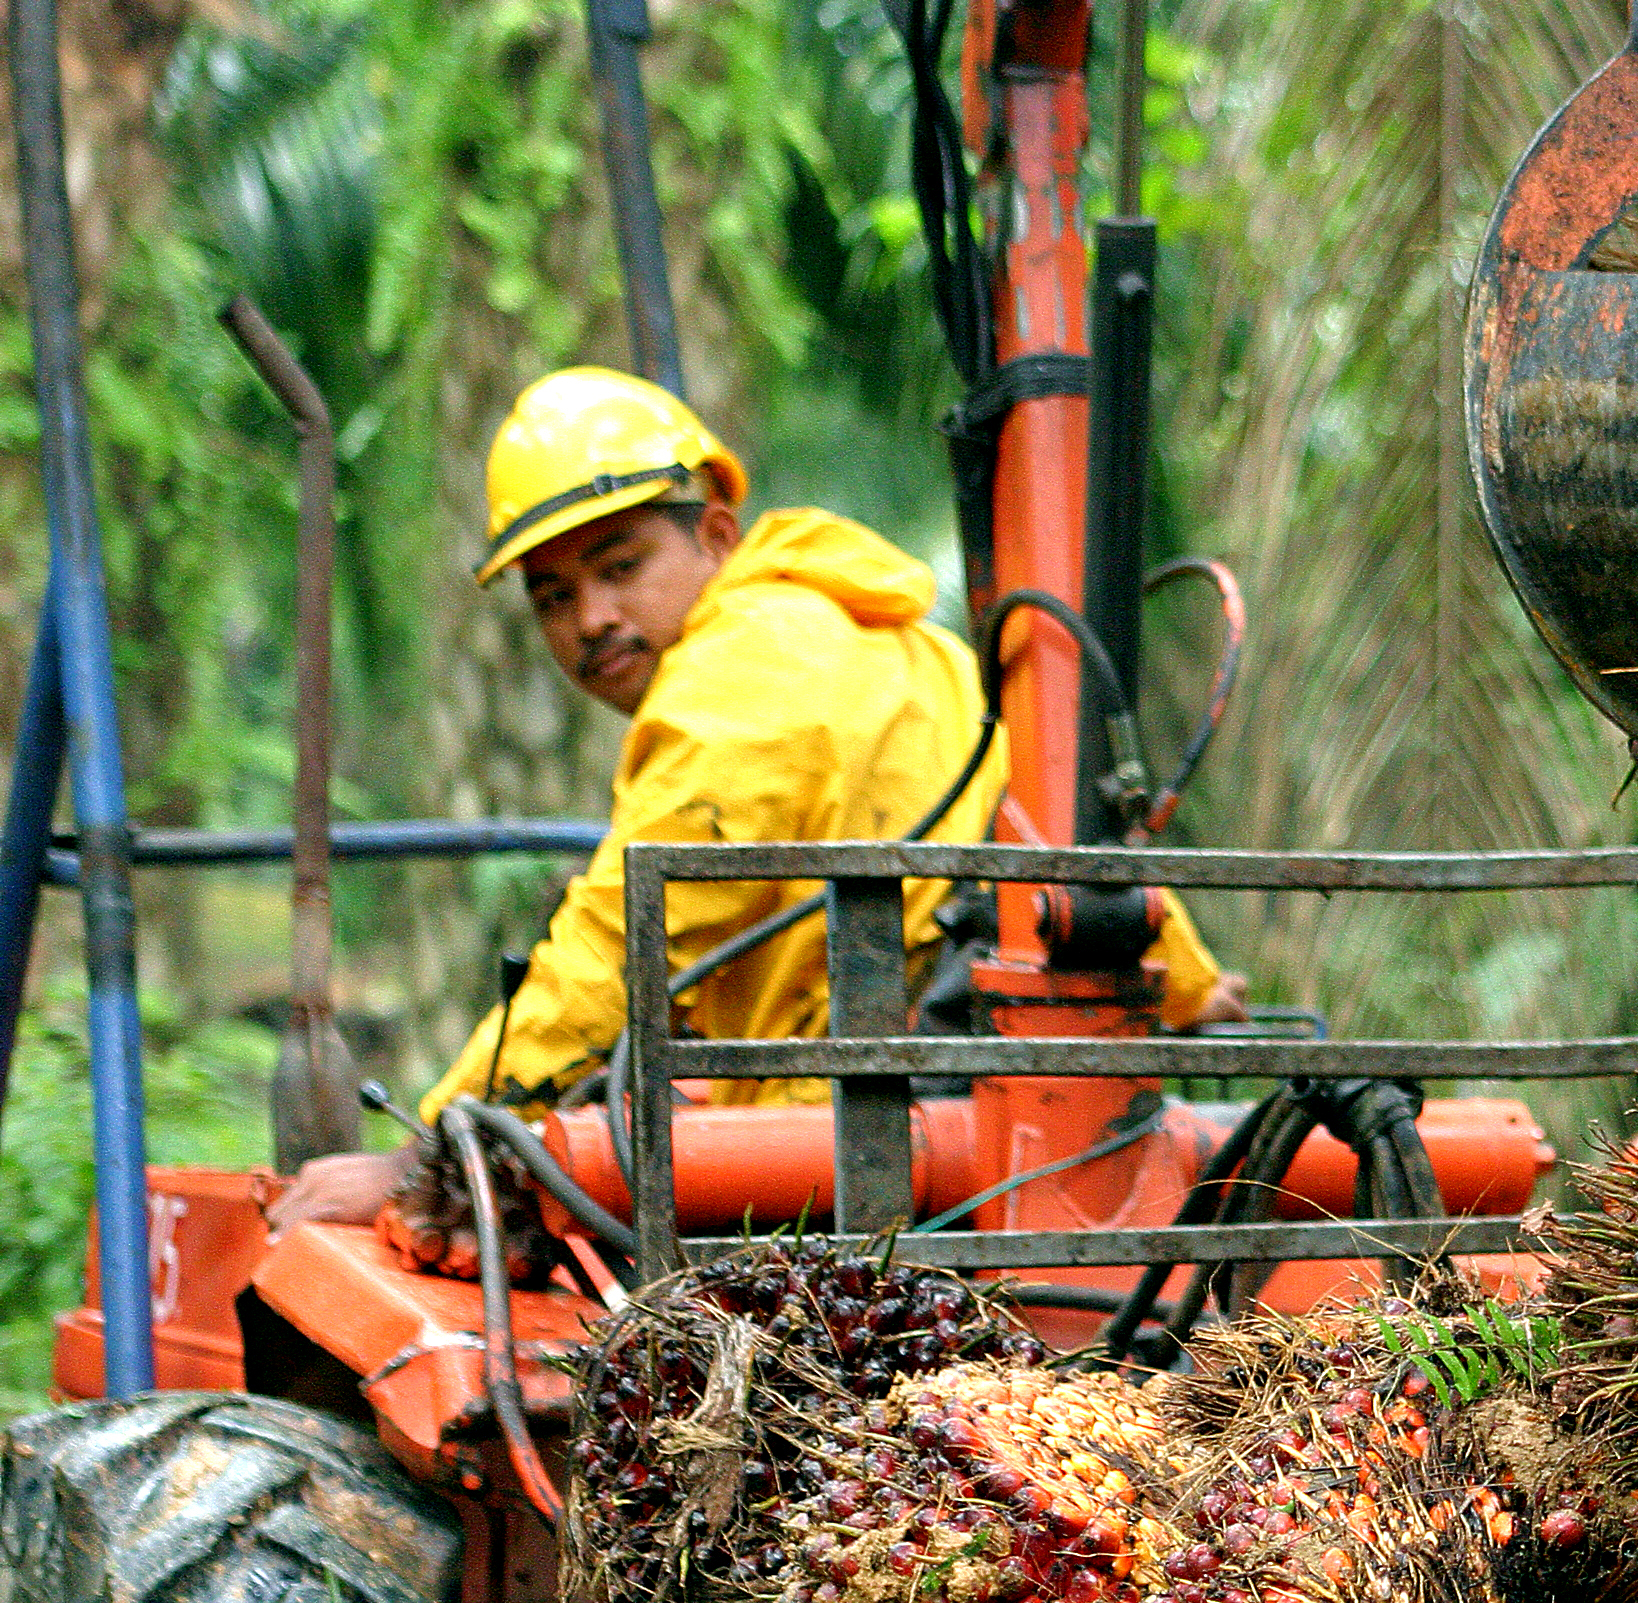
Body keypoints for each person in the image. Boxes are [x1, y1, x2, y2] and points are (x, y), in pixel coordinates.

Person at [269, 367, 1240, 1228]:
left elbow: (613, 946)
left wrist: (423, 1151)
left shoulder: (736, 681)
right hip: (969, 1110)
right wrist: (1187, 982)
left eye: (620, 567)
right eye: (553, 596)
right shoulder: (893, 638)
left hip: (877, 1159)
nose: (591, 618)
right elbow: (1052, 823)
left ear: (718, 536)